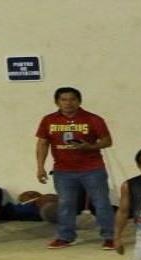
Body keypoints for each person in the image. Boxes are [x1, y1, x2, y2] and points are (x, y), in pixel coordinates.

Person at [34, 86, 115, 250]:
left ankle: (110, 237)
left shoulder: (93, 119)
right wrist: (40, 167)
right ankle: (66, 237)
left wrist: (90, 147)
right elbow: (42, 143)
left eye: (72, 99)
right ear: (57, 102)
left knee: (101, 203)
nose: (68, 103)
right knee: (65, 204)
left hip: (92, 169)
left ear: (79, 101)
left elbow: (107, 141)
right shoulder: (48, 120)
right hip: (63, 171)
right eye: (64, 99)